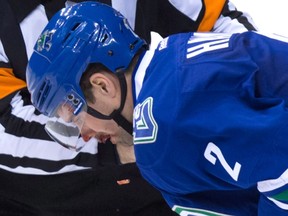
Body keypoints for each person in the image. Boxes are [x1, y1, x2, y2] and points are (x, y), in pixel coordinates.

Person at [27, 2, 288, 215]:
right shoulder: (174, 51)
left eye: (76, 118)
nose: (84, 135)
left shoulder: (162, 132)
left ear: (103, 86)